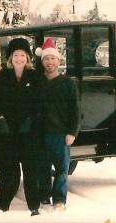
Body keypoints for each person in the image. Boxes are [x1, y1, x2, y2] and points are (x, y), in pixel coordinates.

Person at [0, 37, 43, 216]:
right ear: (10, 58)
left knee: (30, 170)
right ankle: (4, 205)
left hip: (29, 132)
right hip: (8, 132)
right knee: (8, 171)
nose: (19, 58)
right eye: (15, 55)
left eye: (22, 55)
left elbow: (40, 104)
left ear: (27, 57)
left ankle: (34, 206)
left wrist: (31, 120)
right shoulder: (2, 77)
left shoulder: (35, 77)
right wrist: (0, 120)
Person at [36, 37, 80, 211]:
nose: (50, 62)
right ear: (42, 61)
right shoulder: (38, 83)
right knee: (43, 168)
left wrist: (72, 132)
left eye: (53, 58)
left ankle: (60, 200)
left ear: (58, 60)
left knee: (62, 169)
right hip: (41, 134)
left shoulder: (68, 84)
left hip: (61, 134)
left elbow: (75, 110)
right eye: (46, 58)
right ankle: (44, 197)